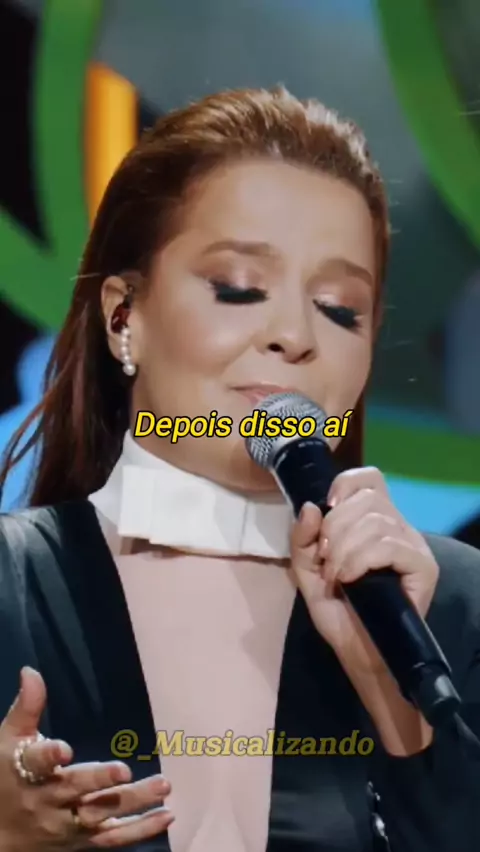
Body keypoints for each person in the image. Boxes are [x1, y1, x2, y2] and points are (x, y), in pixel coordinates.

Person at [0, 85, 479, 852]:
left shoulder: (452, 604)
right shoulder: (12, 587)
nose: (294, 334)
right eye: (239, 289)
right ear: (124, 316)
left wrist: (397, 701)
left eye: (339, 309)